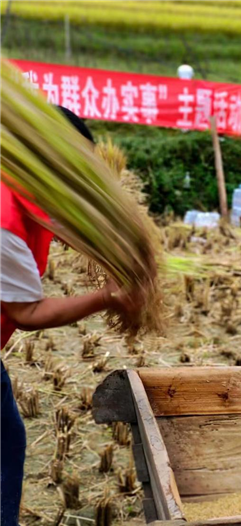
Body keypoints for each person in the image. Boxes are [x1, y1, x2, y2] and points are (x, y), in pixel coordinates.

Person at [0, 107, 144, 525]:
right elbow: (27, 311)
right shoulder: (4, 220)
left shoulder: (20, 182)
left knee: (8, 439)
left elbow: (58, 221)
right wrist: (108, 297)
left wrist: (116, 246)